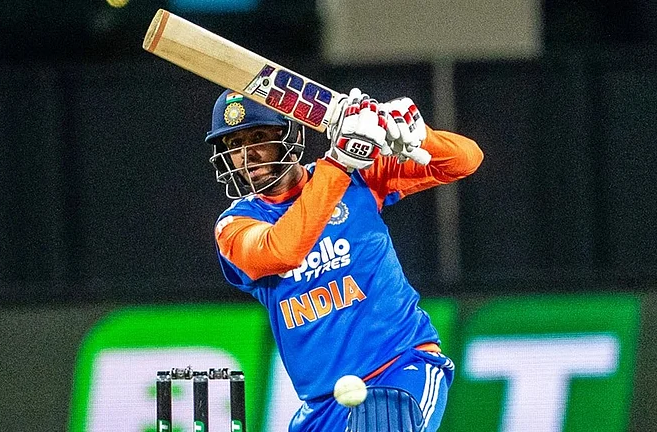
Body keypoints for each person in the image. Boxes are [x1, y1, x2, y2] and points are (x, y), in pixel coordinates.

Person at [206, 87, 483, 432]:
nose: (248, 155)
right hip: (322, 406)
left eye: (259, 136)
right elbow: (282, 250)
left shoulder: (359, 178)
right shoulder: (235, 225)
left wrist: (421, 137)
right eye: (235, 145)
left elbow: (465, 160)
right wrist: (337, 163)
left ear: (288, 135)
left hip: (401, 369)